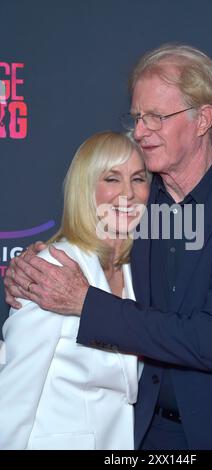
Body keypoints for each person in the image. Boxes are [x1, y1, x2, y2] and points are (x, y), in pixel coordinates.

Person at [4, 44, 212, 449]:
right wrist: (32, 268)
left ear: (203, 120)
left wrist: (84, 301)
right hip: (146, 432)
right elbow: (84, 243)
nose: (140, 132)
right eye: (138, 117)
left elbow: (209, 342)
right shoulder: (140, 196)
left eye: (157, 118)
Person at [0, 131, 150, 449]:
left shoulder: (140, 272)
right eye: (112, 178)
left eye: (138, 179)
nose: (129, 193)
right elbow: (14, 392)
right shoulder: (51, 268)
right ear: (87, 189)